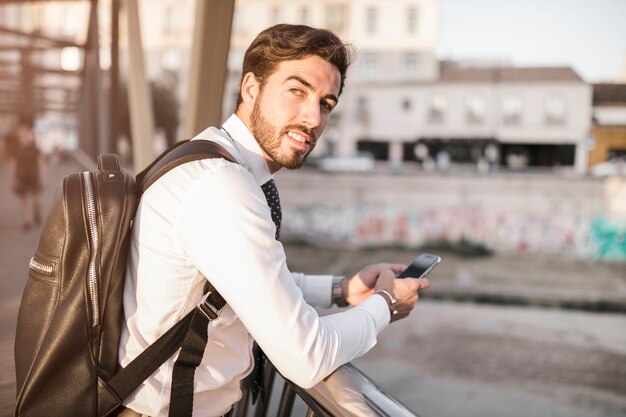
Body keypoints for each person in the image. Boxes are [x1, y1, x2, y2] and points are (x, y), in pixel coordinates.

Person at [118, 24, 429, 417]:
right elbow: (307, 356)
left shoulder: (210, 159)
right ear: (251, 88)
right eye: (297, 91)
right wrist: (386, 305)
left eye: (326, 103)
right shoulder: (222, 187)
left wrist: (343, 289)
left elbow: (251, 280)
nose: (313, 117)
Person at [10, 115, 45, 231]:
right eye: (21, 135)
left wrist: (42, 178)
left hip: (34, 176)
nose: (23, 137)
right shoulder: (16, 149)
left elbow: (41, 163)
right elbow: (14, 165)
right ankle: (26, 220)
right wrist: (13, 179)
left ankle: (37, 214)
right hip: (21, 176)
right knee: (23, 199)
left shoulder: (35, 148)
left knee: (36, 200)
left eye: (25, 134)